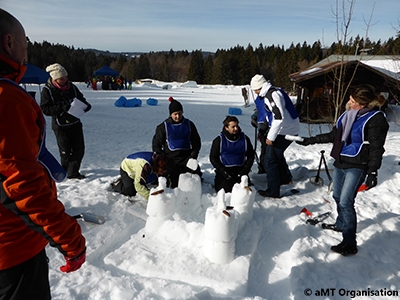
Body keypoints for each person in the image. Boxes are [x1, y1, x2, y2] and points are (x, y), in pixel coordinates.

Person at [0, 9, 86, 300]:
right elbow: (18, 184)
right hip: (12, 250)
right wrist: (70, 240)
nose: (28, 49)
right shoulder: (6, 99)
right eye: (25, 41)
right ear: (9, 42)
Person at [296, 84, 389, 256]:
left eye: (352, 101)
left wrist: (373, 171)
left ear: (363, 103)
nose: (349, 102)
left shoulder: (376, 119)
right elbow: (333, 136)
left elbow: (377, 148)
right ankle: (340, 224)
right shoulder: (347, 115)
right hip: (341, 162)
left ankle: (349, 243)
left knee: (346, 202)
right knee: (337, 196)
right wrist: (309, 140)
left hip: (358, 165)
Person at [250, 74, 300, 198]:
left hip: (286, 131)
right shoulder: (273, 91)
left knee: (269, 160)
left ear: (259, 87)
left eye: (255, 89)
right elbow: (270, 116)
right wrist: (263, 131)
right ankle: (283, 178)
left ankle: (273, 191)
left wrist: (270, 137)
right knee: (274, 155)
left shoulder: (271, 95)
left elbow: (278, 117)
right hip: (285, 129)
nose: (255, 92)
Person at [40, 63, 92, 179]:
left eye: (65, 77)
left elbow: (81, 99)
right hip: (60, 126)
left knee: (79, 150)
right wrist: (63, 108)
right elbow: (45, 109)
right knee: (65, 152)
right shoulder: (47, 91)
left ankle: (73, 173)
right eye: (61, 79)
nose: (65, 80)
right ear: (55, 79)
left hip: (75, 123)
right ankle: (63, 172)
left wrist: (86, 106)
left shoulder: (72, 87)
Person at [152, 99, 201, 188]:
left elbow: (196, 142)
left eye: (180, 113)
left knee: (192, 182)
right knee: (173, 183)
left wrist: (193, 156)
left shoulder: (189, 125)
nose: (178, 116)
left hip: (186, 158)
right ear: (171, 114)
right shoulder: (163, 127)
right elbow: (156, 145)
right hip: (170, 159)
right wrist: (162, 159)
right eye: (175, 114)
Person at [210, 116, 254, 193]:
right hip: (225, 171)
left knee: (244, 192)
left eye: (237, 126)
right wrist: (223, 171)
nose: (236, 128)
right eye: (233, 127)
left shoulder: (244, 139)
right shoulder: (219, 140)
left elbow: (251, 155)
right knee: (225, 191)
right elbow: (213, 158)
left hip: (240, 170)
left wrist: (245, 170)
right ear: (226, 128)